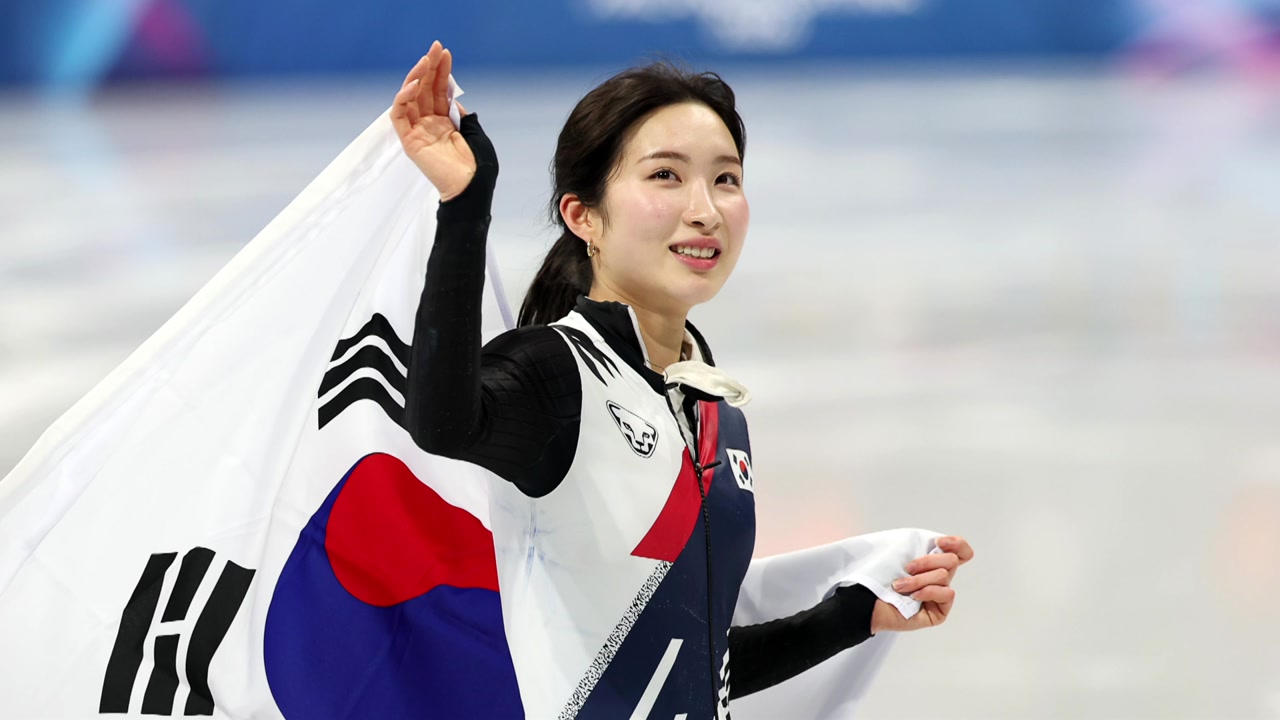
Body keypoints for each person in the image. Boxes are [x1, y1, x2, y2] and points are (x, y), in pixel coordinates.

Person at [392, 40, 974, 719]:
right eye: (666, 175)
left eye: (725, 179)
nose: (706, 209)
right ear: (584, 216)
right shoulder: (555, 374)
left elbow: (691, 660)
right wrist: (464, 206)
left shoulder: (714, 410)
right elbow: (441, 423)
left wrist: (855, 614)